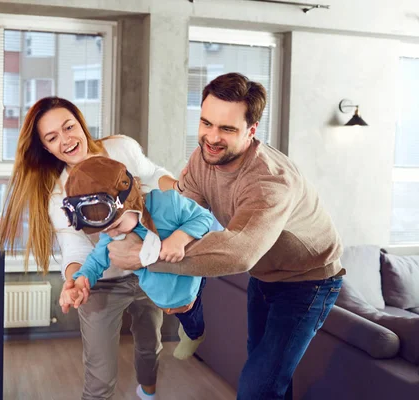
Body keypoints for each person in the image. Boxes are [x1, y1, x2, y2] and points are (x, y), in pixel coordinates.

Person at [105, 73, 345, 400]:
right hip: (264, 275)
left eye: (227, 129)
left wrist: (144, 256)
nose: (211, 137)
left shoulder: (270, 182)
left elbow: (237, 252)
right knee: (271, 377)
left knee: (258, 386)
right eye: (206, 123)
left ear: (251, 131)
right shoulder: (203, 158)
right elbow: (182, 213)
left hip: (308, 280)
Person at [0, 96, 180, 400]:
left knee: (150, 349)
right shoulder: (59, 193)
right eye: (52, 138)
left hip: (148, 271)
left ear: (81, 123)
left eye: (69, 127)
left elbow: (150, 173)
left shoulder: (120, 148)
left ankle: (148, 394)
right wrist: (75, 280)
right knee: (99, 379)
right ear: (46, 147)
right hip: (100, 285)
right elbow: (74, 247)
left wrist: (180, 191)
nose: (66, 140)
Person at [62, 156, 215, 365]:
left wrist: (181, 236)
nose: (112, 234)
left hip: (189, 288)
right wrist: (80, 281)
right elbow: (96, 261)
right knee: (175, 313)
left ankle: (195, 335)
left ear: (130, 200)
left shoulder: (167, 203)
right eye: (106, 231)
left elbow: (205, 218)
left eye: (116, 226)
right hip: (160, 295)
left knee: (191, 318)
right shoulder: (110, 234)